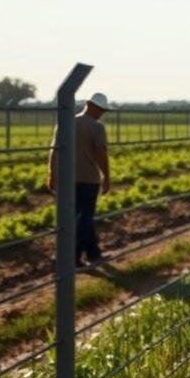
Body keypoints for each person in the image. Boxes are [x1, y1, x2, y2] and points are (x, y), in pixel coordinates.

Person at [48, 92, 113, 266]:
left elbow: (54, 150)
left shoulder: (66, 123)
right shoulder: (97, 127)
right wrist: (106, 176)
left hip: (67, 179)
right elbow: (101, 153)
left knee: (78, 217)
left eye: (103, 110)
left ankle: (93, 252)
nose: (101, 112)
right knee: (84, 218)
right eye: (100, 109)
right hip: (89, 179)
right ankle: (72, 256)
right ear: (89, 105)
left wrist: (52, 173)